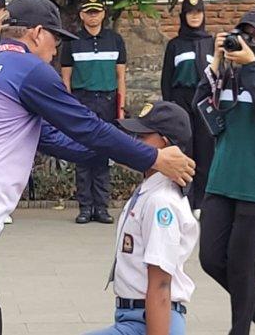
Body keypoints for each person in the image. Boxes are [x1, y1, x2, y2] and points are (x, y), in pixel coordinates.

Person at [0, 0, 196, 335]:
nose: (56, 50)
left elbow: (56, 139)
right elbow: (86, 126)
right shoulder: (30, 70)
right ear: (37, 33)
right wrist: (155, 157)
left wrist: (131, 150)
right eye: (56, 40)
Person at [195, 9, 255, 335]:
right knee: (211, 259)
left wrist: (251, 67)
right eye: (244, 34)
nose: (251, 41)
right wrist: (217, 62)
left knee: (241, 265)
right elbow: (201, 104)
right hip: (221, 180)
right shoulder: (228, 73)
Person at [86, 101, 199, 335]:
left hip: (150, 321)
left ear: (166, 145)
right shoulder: (149, 189)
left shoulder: (161, 202)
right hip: (133, 317)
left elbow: (160, 284)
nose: (134, 143)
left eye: (143, 136)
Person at [61, 0, 127, 224]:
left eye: (96, 12)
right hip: (82, 101)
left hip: (107, 101)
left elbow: (121, 77)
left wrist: (121, 107)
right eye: (88, 12)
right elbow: (66, 78)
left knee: (104, 153)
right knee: (82, 152)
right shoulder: (72, 41)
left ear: (103, 14)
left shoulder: (115, 40)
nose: (93, 16)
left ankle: (102, 207)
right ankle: (85, 207)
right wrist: (68, 107)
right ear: (81, 15)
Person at [161, 0, 215, 215]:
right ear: (183, 16)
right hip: (181, 100)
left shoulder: (211, 42)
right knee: (184, 151)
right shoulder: (175, 45)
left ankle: (201, 203)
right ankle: (184, 199)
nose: (195, 16)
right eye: (190, 13)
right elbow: (166, 79)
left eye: (198, 13)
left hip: (205, 102)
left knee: (206, 151)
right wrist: (169, 109)